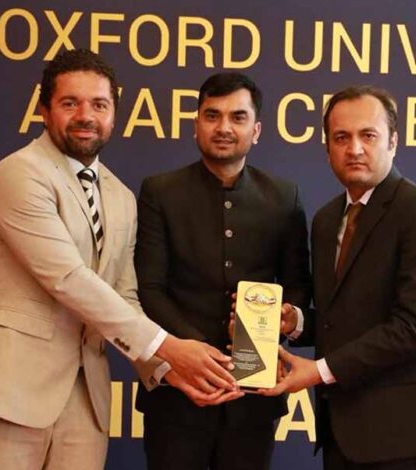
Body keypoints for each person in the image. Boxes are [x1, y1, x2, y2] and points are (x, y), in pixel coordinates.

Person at [0, 49, 239, 470]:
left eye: (99, 105)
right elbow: (68, 279)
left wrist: (164, 368)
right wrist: (169, 346)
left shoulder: (120, 196)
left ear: (114, 115)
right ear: (44, 110)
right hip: (8, 393)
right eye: (70, 103)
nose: (86, 116)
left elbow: (125, 297)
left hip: (86, 401)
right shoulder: (18, 174)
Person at [262, 85, 416, 469]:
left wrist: (318, 372)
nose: (354, 149)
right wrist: (295, 322)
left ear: (393, 142)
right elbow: (340, 321)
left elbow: (415, 327)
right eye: (341, 138)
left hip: (401, 435)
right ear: (327, 148)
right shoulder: (326, 220)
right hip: (340, 430)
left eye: (368, 135)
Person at [133, 72, 311, 470]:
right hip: (177, 394)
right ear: (196, 124)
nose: (224, 127)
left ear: (256, 130)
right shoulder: (160, 192)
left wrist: (278, 322)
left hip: (253, 401)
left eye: (238, 117)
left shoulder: (284, 197)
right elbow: (149, 288)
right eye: (212, 116)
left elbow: (298, 286)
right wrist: (198, 355)